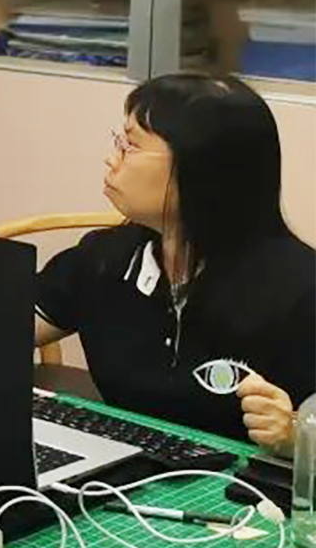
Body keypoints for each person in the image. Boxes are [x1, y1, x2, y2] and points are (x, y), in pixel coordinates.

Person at [34, 72, 316, 451]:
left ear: (203, 169)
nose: (112, 158)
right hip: (120, 469)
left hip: (237, 484)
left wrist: (298, 436)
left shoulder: (299, 291)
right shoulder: (104, 259)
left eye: (131, 145)